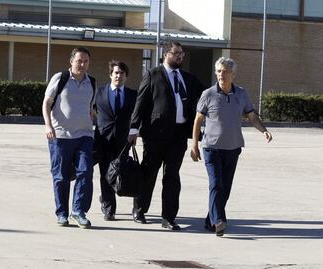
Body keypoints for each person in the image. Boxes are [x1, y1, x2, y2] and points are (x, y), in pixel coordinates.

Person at [190, 57, 272, 236]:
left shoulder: (241, 94)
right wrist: (194, 144)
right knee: (216, 184)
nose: (221, 75)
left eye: (225, 71)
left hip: (233, 148)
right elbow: (198, 120)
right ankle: (219, 221)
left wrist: (263, 130)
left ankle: (209, 220)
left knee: (225, 188)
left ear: (233, 74)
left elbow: (252, 117)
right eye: (219, 71)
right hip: (211, 148)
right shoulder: (208, 94)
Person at [128, 40, 204, 230]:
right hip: (155, 134)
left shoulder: (188, 78)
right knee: (149, 174)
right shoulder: (153, 75)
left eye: (182, 54)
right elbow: (141, 103)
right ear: (166, 55)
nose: (180, 56)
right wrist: (133, 129)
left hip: (178, 136)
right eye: (177, 53)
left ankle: (168, 217)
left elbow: (205, 94)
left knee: (172, 177)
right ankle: (140, 209)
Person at [42, 47, 95, 229]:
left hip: (85, 136)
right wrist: (48, 126)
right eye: (79, 60)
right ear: (71, 61)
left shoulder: (91, 82)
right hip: (60, 136)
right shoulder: (60, 78)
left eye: (86, 61)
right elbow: (46, 103)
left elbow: (89, 108)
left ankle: (78, 211)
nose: (82, 64)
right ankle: (62, 213)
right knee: (61, 177)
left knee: (86, 172)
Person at [94, 60, 137, 221]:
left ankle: (106, 198)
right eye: (116, 72)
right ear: (111, 74)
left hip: (123, 141)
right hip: (103, 140)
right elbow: (90, 112)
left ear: (126, 76)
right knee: (105, 174)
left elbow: (137, 116)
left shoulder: (133, 95)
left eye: (122, 73)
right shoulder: (99, 92)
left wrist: (134, 131)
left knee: (119, 174)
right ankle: (109, 208)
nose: (119, 75)